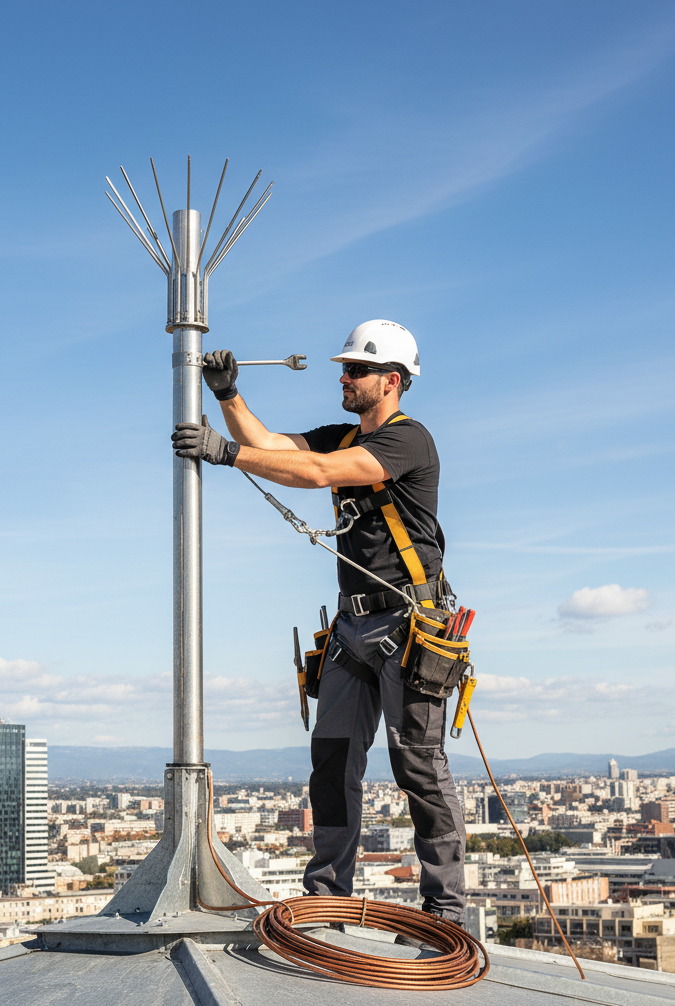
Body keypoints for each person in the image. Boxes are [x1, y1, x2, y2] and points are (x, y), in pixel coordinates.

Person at [171, 319, 466, 923]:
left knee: (418, 765)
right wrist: (228, 396)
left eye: (356, 370)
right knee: (332, 763)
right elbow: (271, 444)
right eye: (346, 369)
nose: (344, 377)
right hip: (353, 628)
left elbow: (319, 474)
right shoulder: (342, 436)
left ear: (392, 380)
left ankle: (446, 911)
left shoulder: (409, 441)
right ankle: (328, 898)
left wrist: (226, 454)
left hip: (409, 624)